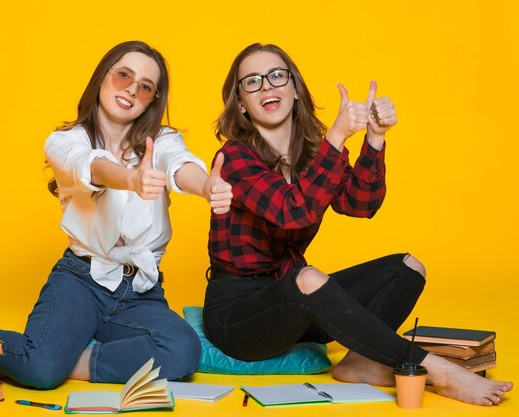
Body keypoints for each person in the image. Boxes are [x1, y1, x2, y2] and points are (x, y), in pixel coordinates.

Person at [202, 43, 512, 406]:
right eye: (252, 82)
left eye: (276, 75)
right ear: (240, 102)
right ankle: (435, 369)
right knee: (308, 277)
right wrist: (336, 136)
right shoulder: (234, 157)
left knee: (407, 267)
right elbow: (293, 211)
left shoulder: (310, 154)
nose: (267, 86)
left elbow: (360, 204)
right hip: (239, 319)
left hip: (295, 305)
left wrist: (374, 138)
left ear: (295, 89)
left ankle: (361, 364)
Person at [0, 41, 233, 389]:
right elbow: (91, 166)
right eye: (123, 76)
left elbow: (178, 164)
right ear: (102, 78)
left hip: (141, 291)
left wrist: (206, 187)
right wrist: (131, 178)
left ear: (153, 99)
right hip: (80, 281)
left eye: (146, 86)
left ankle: (75, 360)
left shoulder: (160, 140)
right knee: (40, 370)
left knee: (182, 350)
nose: (132, 89)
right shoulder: (64, 141)